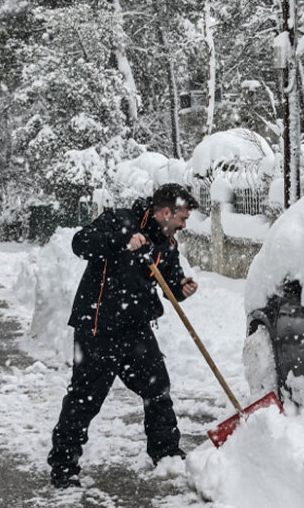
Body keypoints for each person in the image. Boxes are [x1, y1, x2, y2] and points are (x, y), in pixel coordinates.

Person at [47, 183, 200, 489]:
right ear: (166, 212)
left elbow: (170, 282)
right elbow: (80, 243)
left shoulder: (167, 243)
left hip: (136, 329)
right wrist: (120, 240)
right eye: (182, 218)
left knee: (157, 388)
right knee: (85, 398)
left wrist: (181, 288)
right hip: (98, 327)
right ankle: (63, 466)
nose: (184, 225)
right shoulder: (119, 220)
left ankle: (166, 453)